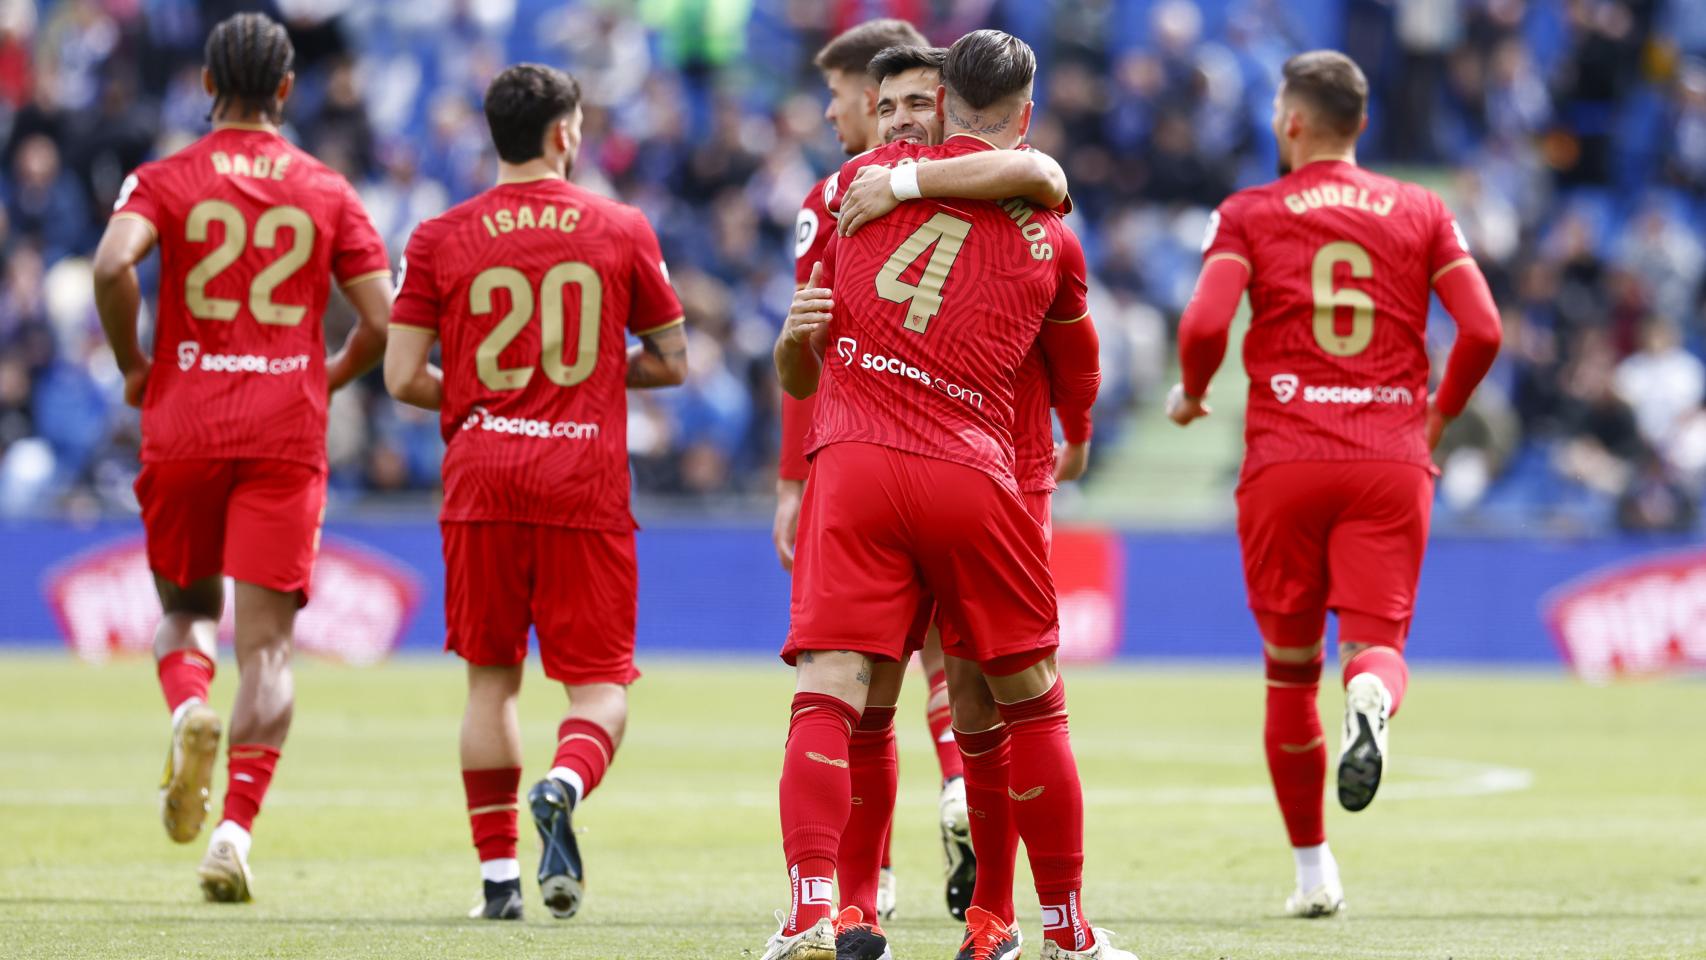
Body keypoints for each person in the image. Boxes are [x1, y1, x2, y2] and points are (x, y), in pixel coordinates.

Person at [763, 30, 1133, 960]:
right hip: (982, 470)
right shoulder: (1047, 227)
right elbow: (1076, 346)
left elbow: (807, 361)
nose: (890, 120)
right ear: (1024, 109)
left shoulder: (848, 195)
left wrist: (793, 386)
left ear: (942, 103)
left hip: (854, 466)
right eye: (880, 106)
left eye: (908, 103)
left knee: (837, 696)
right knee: (1016, 707)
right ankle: (1049, 929)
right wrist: (1079, 436)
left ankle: (824, 910)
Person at [1165, 50, 1503, 917]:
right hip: (1389, 456)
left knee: (1286, 676)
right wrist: (1434, 415)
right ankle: (1369, 698)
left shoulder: (1250, 212)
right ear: (1361, 126)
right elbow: (1484, 329)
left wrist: (1194, 394)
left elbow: (1205, 319)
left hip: (1284, 460)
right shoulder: (1423, 210)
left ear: (1290, 122)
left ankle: (1314, 875)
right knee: (1377, 647)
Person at [90, 11, 391, 903]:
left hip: (183, 422)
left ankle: (188, 709)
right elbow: (382, 316)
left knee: (184, 615)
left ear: (207, 87)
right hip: (282, 432)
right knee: (267, 652)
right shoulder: (326, 188)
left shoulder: (164, 177)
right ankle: (233, 832)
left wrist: (136, 365)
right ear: (288, 90)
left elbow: (112, 267)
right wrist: (325, 376)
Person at [384, 63, 687, 922]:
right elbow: (672, 359)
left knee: (490, 686)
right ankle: (563, 782)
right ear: (564, 134)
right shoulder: (622, 228)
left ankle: (497, 885)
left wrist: (487, 393)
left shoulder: (439, 236)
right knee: (598, 691)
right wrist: (592, 371)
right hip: (580, 482)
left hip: (480, 478)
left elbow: (404, 376)